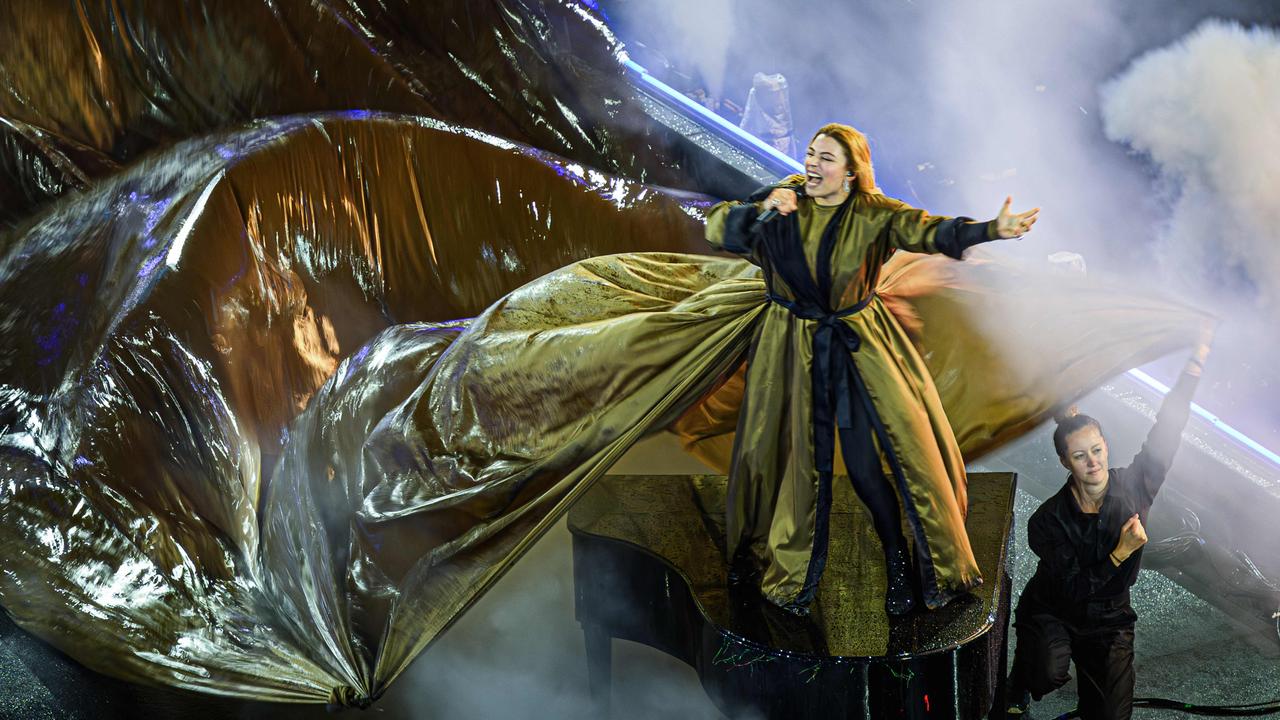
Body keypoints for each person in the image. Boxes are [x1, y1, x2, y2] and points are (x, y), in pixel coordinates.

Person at [705, 122, 1040, 616]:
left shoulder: (873, 214)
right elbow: (717, 227)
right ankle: (751, 556)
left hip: (850, 351)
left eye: (826, 159)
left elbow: (932, 230)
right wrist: (760, 212)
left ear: (850, 172)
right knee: (765, 456)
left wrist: (991, 230)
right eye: (811, 154)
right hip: (788, 350)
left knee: (864, 466)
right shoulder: (783, 197)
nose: (812, 165)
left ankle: (897, 558)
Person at [1006, 326, 1214, 719]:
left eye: (1097, 450)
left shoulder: (1134, 487)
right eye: (1080, 456)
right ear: (1066, 462)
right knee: (1046, 673)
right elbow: (1073, 590)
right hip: (1054, 611)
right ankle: (1019, 680)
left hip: (1109, 621)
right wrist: (1120, 554)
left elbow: (1166, 431)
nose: (1093, 462)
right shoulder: (1047, 522)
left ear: (1106, 447)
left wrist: (1195, 363)